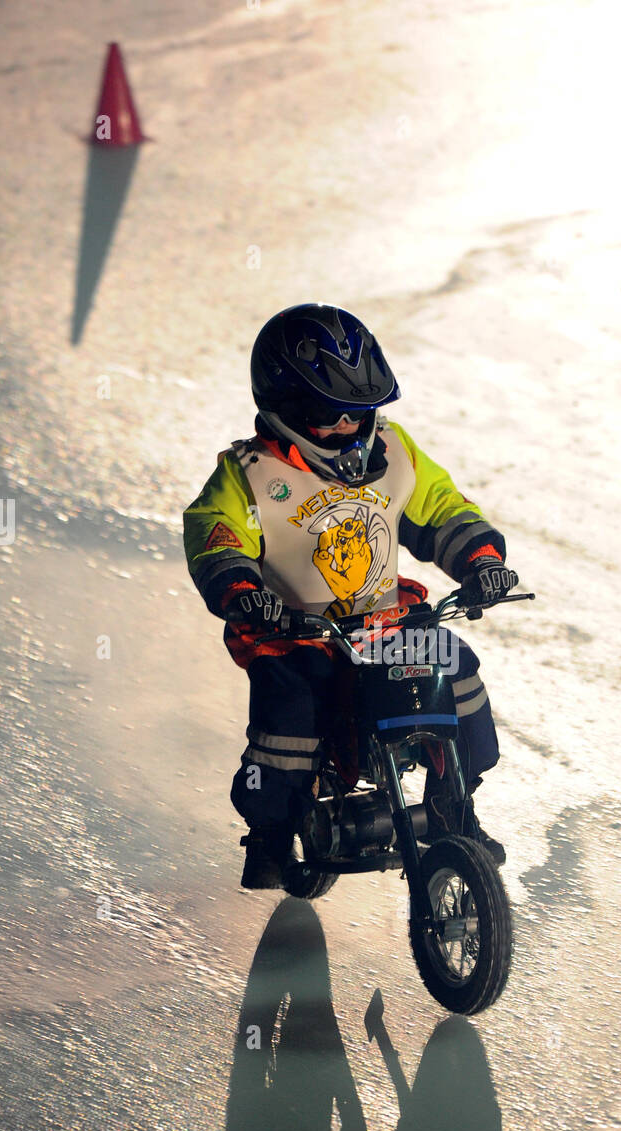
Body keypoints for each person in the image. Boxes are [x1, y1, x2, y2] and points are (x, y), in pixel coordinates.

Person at [183, 304, 519, 889]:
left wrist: (482, 561)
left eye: (358, 413)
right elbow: (217, 535)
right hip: (294, 633)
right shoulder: (249, 473)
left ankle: (452, 802)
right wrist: (242, 591)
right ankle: (269, 835)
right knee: (290, 721)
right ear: (282, 407)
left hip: (385, 625)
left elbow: (442, 510)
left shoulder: (396, 453)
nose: (346, 428)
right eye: (326, 414)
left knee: (456, 670)